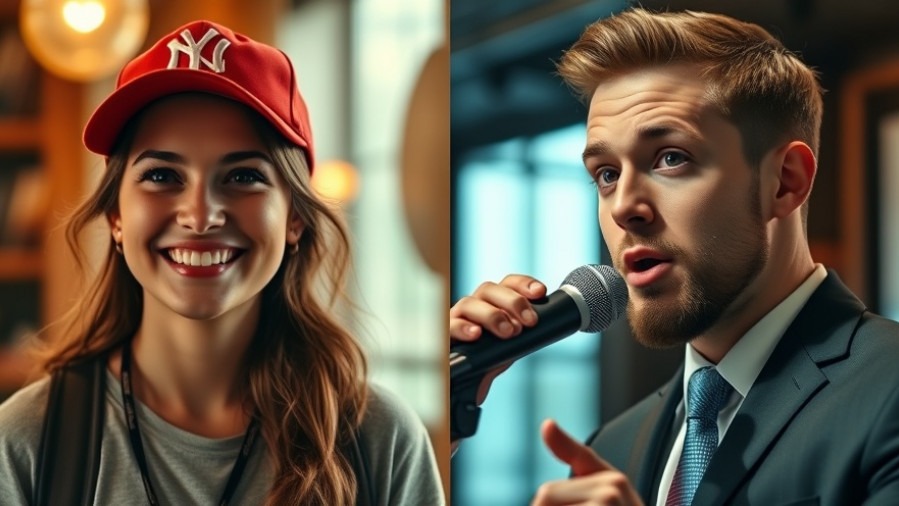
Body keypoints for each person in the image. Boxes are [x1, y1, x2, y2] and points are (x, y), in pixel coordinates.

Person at [449, 7, 899, 505]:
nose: (623, 207)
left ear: (785, 182)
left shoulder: (888, 391)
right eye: (606, 174)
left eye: (670, 158)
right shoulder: (614, 446)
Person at [0, 19, 444, 505]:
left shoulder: (380, 439)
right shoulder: (26, 442)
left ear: (294, 216)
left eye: (243, 175)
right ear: (116, 215)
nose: (200, 216)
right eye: (163, 174)